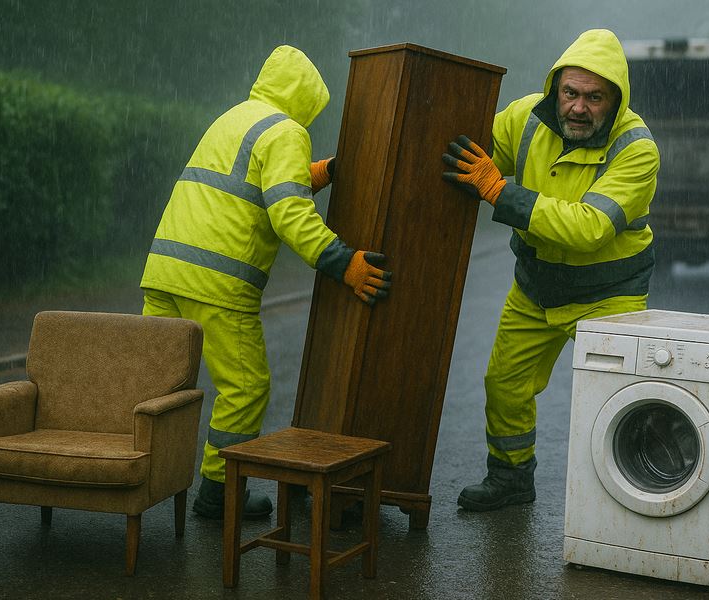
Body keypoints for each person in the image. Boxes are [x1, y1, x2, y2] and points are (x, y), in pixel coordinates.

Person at [140, 45, 391, 520]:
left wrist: (318, 173)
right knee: (245, 388)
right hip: (217, 280)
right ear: (306, 101)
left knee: (160, 385)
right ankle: (218, 494)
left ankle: (133, 477)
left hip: (165, 269)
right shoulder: (286, 131)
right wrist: (342, 261)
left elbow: (251, 184)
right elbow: (289, 213)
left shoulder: (235, 117)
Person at [442, 29, 659, 511]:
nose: (579, 108)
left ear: (615, 100)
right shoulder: (524, 118)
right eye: (570, 93)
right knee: (504, 384)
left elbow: (589, 229)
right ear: (555, 89)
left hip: (611, 294)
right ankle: (511, 479)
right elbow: (467, 157)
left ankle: (638, 497)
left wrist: (501, 192)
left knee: (620, 403)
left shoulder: (637, 149)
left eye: (594, 97)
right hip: (536, 286)